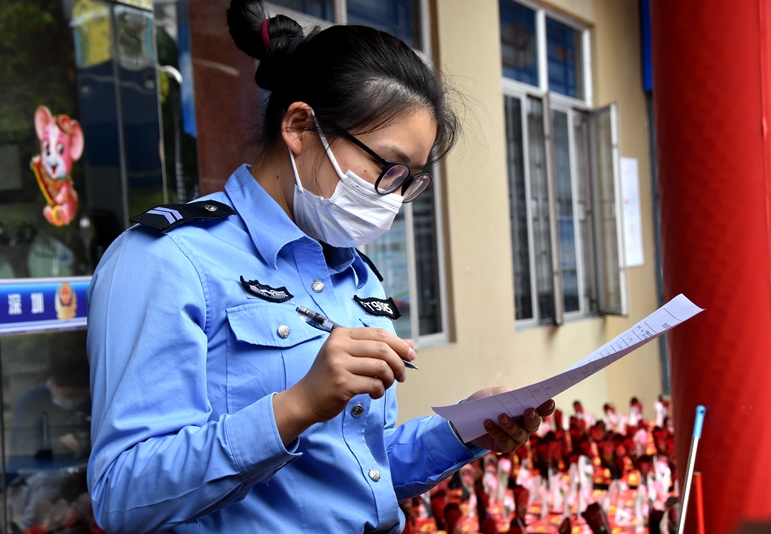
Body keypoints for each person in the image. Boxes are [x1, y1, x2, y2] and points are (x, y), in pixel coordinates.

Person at [85, 1, 555, 532]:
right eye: (387, 168)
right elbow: (122, 494)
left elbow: (355, 473)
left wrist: (462, 429)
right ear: (299, 126)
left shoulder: (353, 275)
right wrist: (297, 406)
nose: (394, 198)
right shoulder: (168, 261)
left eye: (410, 181)